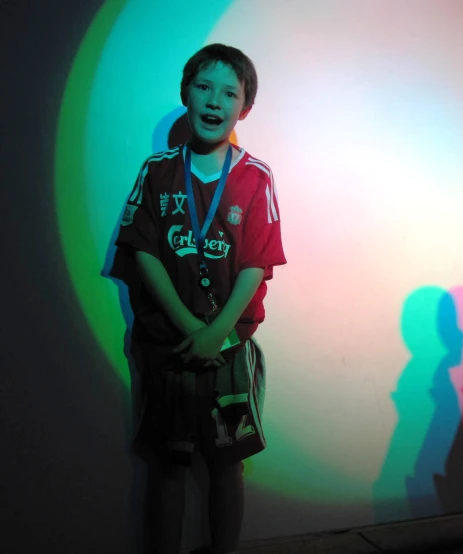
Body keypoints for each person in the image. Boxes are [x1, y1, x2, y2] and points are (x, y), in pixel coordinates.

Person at [110, 43, 286, 554]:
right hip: (169, 347)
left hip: (230, 349)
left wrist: (216, 333)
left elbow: (257, 263)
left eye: (229, 92)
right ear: (186, 93)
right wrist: (191, 327)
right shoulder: (157, 170)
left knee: (229, 466)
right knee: (168, 466)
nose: (214, 101)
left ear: (244, 108)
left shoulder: (257, 177)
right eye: (204, 87)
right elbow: (143, 253)